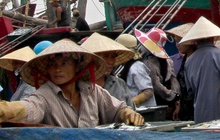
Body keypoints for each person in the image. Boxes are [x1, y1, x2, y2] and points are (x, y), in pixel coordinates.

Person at [0, 39, 143, 127]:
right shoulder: (44, 95)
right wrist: (4, 110)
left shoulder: (92, 91)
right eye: (52, 64)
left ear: (77, 67)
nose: (57, 69)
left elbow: (117, 109)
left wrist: (128, 114)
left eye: (64, 63)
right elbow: (27, 109)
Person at [180, 16, 220, 123]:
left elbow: (190, 91)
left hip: (200, 114)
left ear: (195, 41)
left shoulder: (189, 61)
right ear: (214, 38)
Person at [135, 28, 181, 119]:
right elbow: (174, 80)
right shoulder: (168, 59)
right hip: (171, 100)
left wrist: (169, 96)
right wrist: (175, 96)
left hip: (159, 101)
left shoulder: (150, 62)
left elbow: (156, 85)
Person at [81, 33, 135, 108]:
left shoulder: (119, 84)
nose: (110, 62)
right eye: (106, 56)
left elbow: (131, 110)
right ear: (91, 59)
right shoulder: (79, 86)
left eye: (113, 57)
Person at [165, 23, 197, 121]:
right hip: (185, 109)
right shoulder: (185, 59)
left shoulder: (196, 60)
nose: (177, 45)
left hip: (196, 110)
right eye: (176, 41)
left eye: (180, 41)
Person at [116, 33, 157, 108]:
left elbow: (148, 92)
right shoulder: (127, 67)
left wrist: (130, 104)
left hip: (145, 112)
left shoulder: (136, 67)